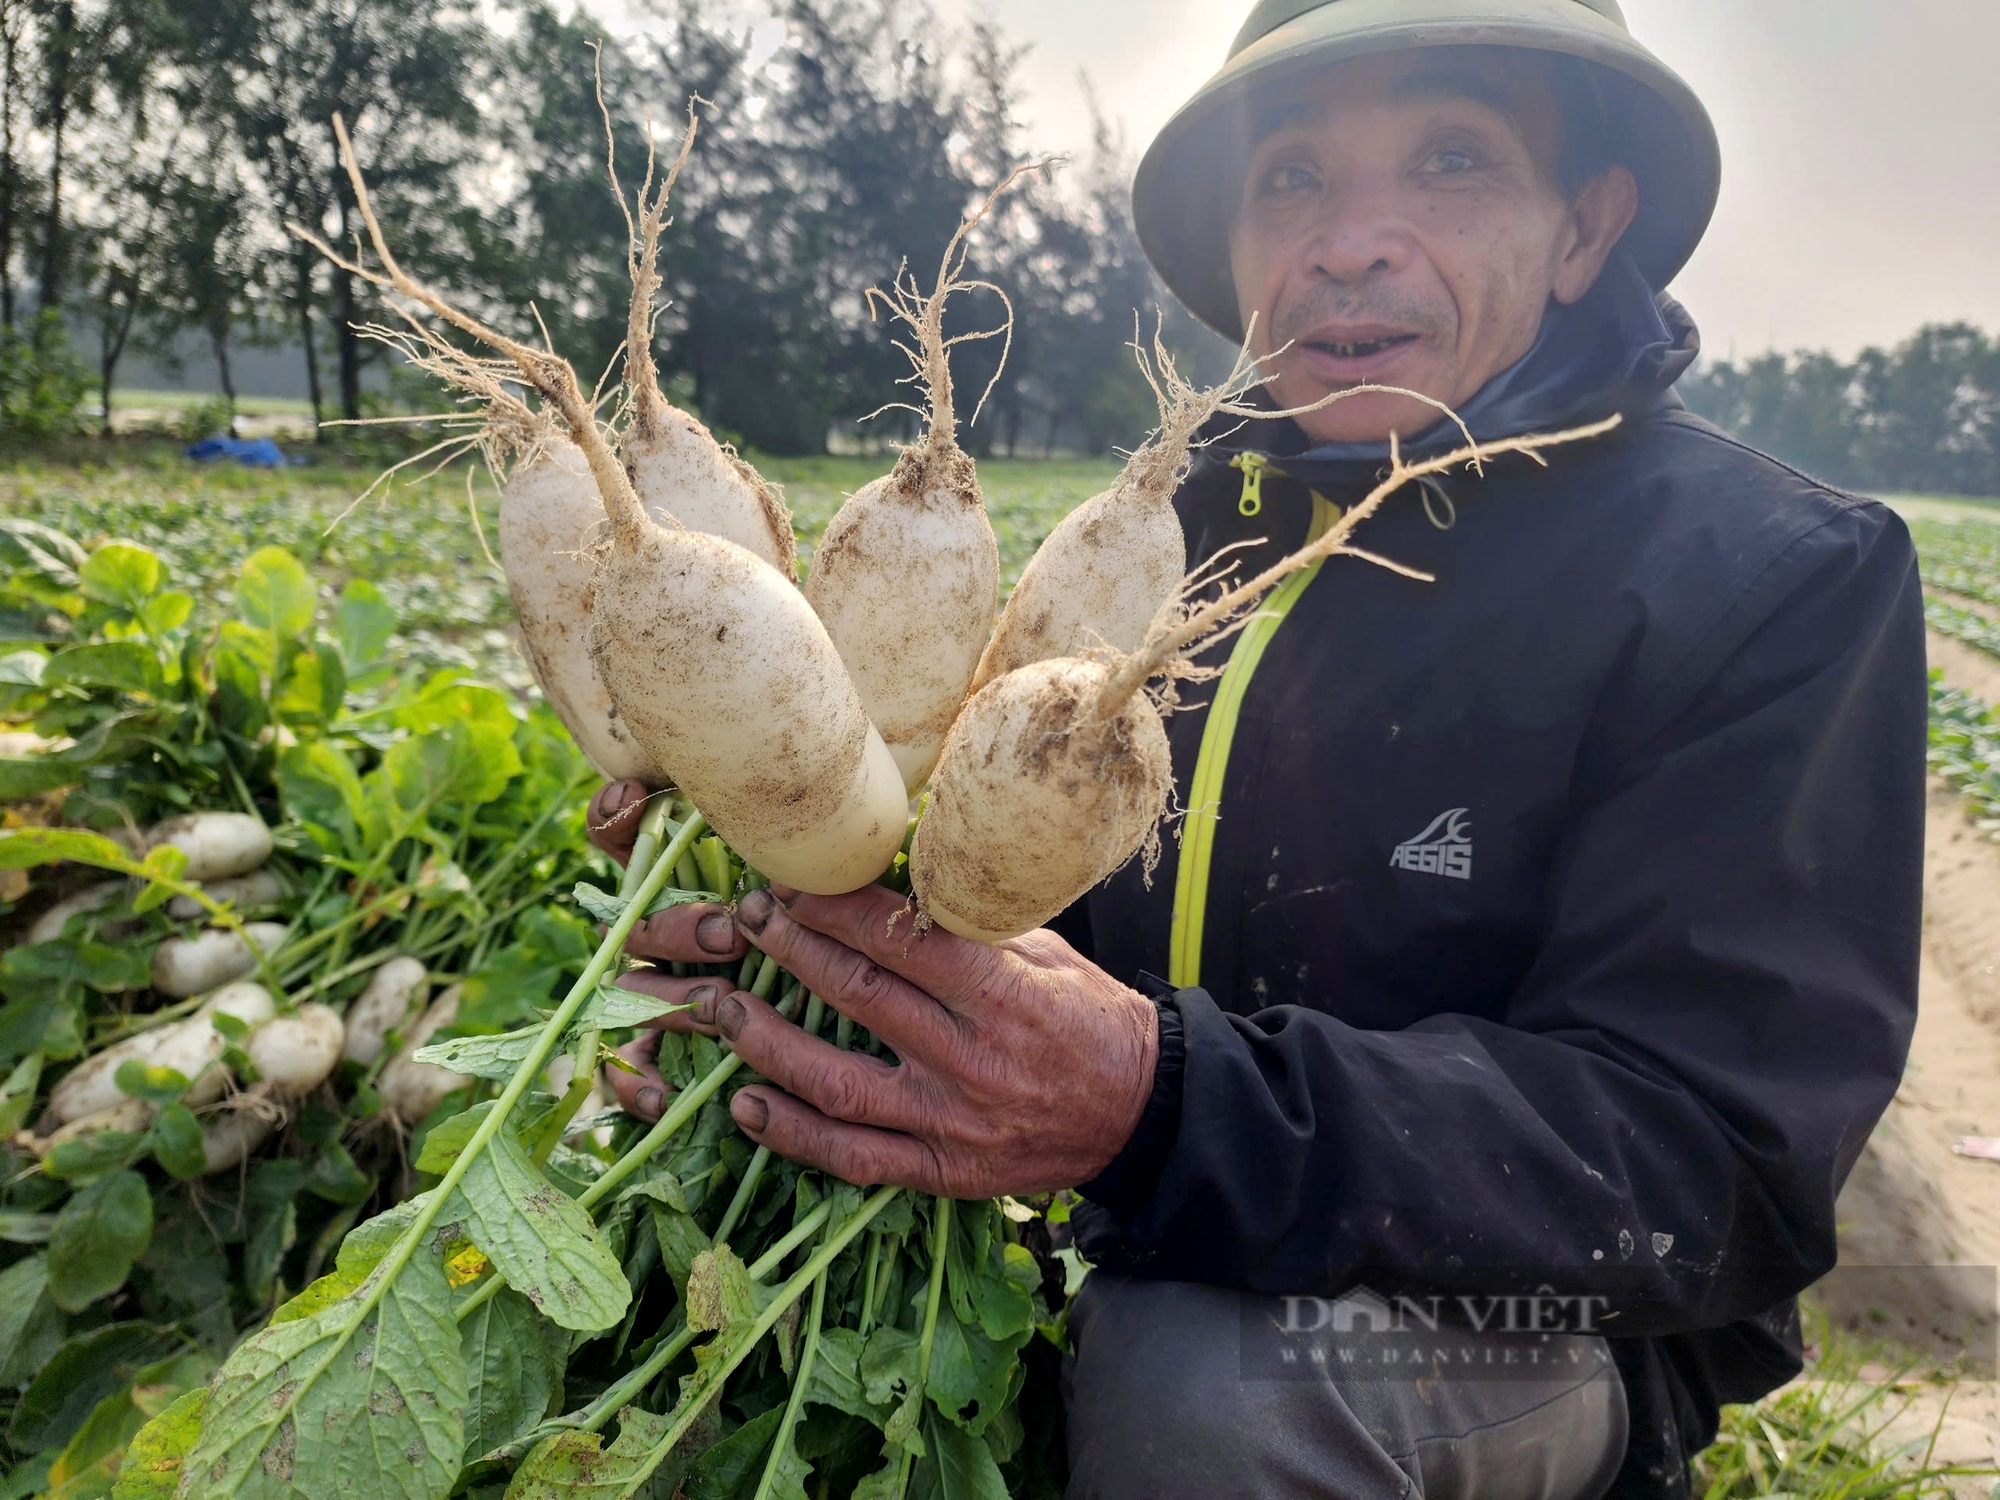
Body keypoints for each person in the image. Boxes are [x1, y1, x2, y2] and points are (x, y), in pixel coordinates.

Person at [585, 2, 1927, 1495]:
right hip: (1150, 1203)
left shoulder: (1772, 577)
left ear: (1584, 227)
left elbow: (1709, 1162)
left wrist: (1163, 1103)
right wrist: (813, 916)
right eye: (1291, 179)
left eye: (1450, 160)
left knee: (1209, 1390)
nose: (1350, 241)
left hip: (1545, 1315)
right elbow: (1039, 909)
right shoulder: (1174, 536)